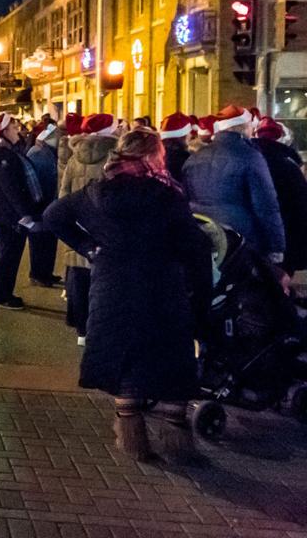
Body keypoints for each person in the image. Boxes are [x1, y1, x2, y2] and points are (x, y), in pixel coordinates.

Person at [44, 127, 213, 463]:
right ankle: (177, 443)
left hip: (113, 288)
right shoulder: (166, 196)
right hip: (160, 288)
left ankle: (133, 440)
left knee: (126, 361)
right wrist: (201, 296)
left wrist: (90, 247)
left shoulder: (96, 192)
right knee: (170, 363)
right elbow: (195, 248)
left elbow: (53, 216)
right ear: (151, 156)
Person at [183, 105, 286, 275]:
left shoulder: (196, 157)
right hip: (240, 238)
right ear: (243, 127)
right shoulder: (250, 156)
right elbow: (266, 205)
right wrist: (276, 246)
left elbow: (186, 198)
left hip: (205, 235)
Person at [58, 113, 119, 344]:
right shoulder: (114, 156)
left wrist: (70, 219)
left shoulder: (75, 157)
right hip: (103, 226)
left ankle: (81, 329)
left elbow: (64, 192)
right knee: (102, 279)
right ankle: (98, 328)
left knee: (77, 275)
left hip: (77, 221)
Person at [0, 113, 43, 310]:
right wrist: (25, 214)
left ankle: (3, 292)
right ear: (5, 131)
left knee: (6, 253)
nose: (19, 131)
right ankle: (2, 295)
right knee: (8, 254)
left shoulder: (7, 152)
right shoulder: (1, 156)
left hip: (5, 213)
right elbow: (11, 189)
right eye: (15, 128)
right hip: (6, 215)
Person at [252, 116, 307, 276]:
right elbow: (301, 203)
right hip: (284, 228)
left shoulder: (247, 158)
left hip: (250, 230)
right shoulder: (288, 163)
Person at [24, 119, 62, 287]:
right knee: (40, 240)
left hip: (48, 201)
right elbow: (38, 180)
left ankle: (45, 272)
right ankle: (38, 273)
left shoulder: (46, 152)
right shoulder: (38, 153)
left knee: (49, 239)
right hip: (42, 202)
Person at [158, 112, 195, 185]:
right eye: (189, 132)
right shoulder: (184, 158)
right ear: (182, 136)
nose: (190, 136)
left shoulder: (157, 153)